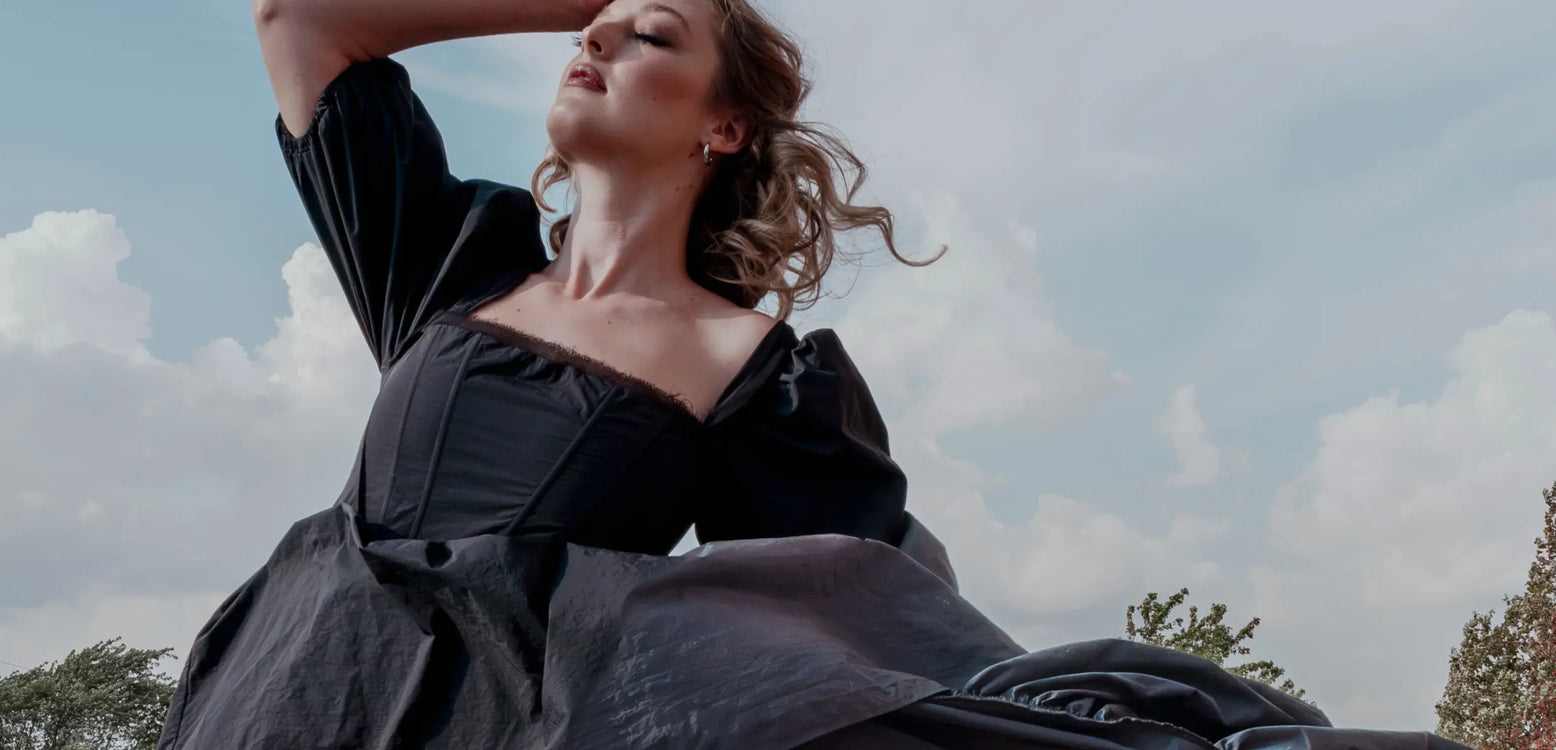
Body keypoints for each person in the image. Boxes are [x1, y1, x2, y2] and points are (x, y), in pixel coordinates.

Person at [159, 1, 1476, 748]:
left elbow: (871, 608)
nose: (597, 42)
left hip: (500, 723)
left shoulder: (755, 370)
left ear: (726, 125)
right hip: (286, 687)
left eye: (649, 35)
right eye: (591, 31)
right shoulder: (449, 263)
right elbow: (303, 18)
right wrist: (591, 1)